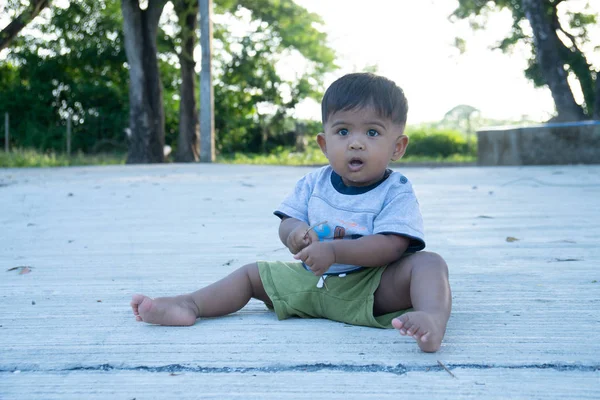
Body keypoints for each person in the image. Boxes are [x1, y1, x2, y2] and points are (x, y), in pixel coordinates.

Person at [131, 73, 451, 353]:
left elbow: (392, 245)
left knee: (429, 263)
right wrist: (295, 233)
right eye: (343, 132)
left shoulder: (396, 190)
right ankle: (191, 304)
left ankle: (431, 320)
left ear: (397, 147)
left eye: (372, 133)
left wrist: (335, 250)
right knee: (251, 273)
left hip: (370, 289)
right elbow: (288, 221)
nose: (356, 144)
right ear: (324, 144)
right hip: (310, 281)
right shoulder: (313, 183)